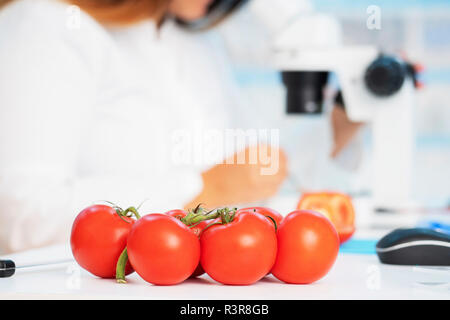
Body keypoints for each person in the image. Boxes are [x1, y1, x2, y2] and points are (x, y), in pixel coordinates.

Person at [0, 0, 360, 253]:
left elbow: (261, 173)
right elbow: (22, 216)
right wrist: (201, 191)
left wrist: (342, 123)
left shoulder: (193, 38)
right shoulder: (46, 25)